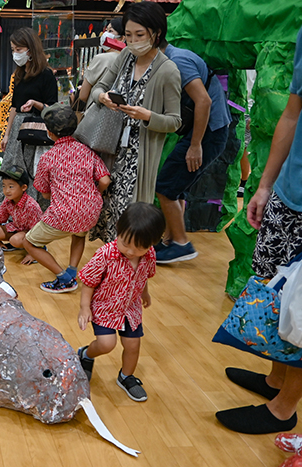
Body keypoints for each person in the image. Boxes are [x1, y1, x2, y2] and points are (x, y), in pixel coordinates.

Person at [215, 25, 302, 435]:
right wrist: (266, 184)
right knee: (277, 292)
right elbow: (292, 111)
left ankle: (284, 408)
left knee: (301, 305)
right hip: (290, 190)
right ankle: (275, 380)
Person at [88, 2, 181, 244]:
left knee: (130, 226)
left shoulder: (168, 71)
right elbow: (98, 87)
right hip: (109, 151)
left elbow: (175, 121)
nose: (133, 41)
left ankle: (128, 275)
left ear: (156, 32)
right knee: (106, 217)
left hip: (137, 160)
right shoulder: (125, 57)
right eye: (128, 35)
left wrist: (147, 115)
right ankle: (111, 271)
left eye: (139, 35)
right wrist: (102, 97)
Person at [77, 202, 166, 402]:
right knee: (106, 344)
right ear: (119, 229)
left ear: (152, 243)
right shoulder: (105, 255)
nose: (131, 252)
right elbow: (89, 282)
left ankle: (126, 376)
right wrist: (84, 308)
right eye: (125, 243)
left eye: (139, 248)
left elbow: (142, 277)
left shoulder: (149, 255)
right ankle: (86, 355)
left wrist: (145, 294)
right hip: (105, 307)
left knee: (133, 345)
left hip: (130, 307)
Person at [153, 40, 232, 264]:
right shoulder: (171, 59)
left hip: (209, 132)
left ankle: (181, 243)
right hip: (205, 132)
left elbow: (204, 101)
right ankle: (170, 240)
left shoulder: (178, 60)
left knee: (165, 187)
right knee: (176, 187)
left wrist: (195, 144)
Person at [22, 103, 111, 293]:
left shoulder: (48, 158)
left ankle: (64, 278)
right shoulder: (87, 151)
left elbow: (44, 193)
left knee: (28, 242)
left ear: (49, 132)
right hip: (90, 211)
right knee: (79, 234)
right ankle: (72, 271)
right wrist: (94, 195)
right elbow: (104, 180)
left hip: (63, 213)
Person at [0, 27, 59, 213]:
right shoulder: (19, 75)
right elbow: (13, 106)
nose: (15, 54)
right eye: (13, 50)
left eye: (19, 50)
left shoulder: (46, 75)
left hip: (35, 129)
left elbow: (52, 108)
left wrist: (35, 103)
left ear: (30, 49)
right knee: (10, 168)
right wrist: (6, 134)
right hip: (17, 131)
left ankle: (32, 212)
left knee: (32, 171)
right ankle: (7, 211)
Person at [0, 166, 42, 265]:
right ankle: (18, 243)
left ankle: (39, 249)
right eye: (4, 186)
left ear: (24, 187)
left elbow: (37, 231)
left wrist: (32, 253)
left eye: (11, 186)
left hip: (33, 233)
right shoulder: (8, 200)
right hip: (18, 228)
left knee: (15, 240)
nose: (6, 190)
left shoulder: (31, 205)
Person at [78, 17, 125, 108]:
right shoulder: (130, 59)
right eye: (106, 30)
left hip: (96, 112)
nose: (105, 34)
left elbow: (83, 96)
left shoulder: (100, 59)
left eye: (110, 31)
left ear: (122, 38)